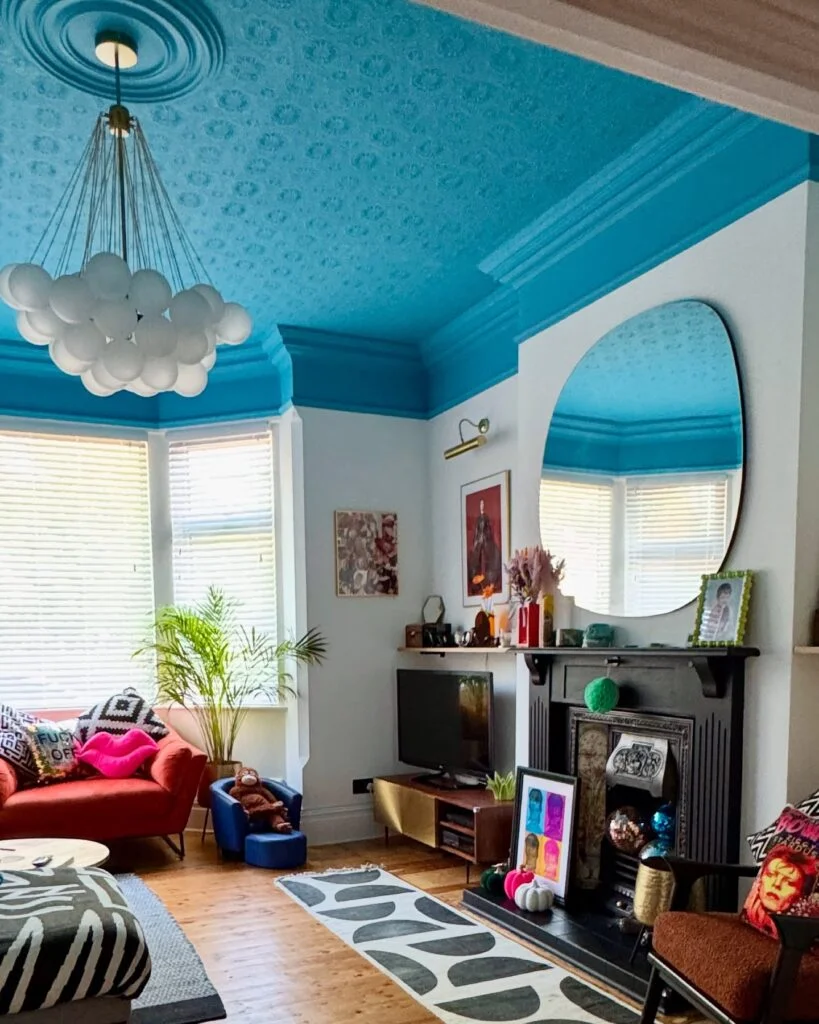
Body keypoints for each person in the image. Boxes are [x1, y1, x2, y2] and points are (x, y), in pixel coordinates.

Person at [468, 498, 502, 594]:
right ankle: (476, 579)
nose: (482, 506)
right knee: (475, 555)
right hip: (479, 539)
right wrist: (477, 541)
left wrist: (487, 537)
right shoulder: (478, 519)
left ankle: (490, 579)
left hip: (486, 539)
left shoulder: (486, 518)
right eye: (480, 504)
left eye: (483, 504)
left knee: (492, 552)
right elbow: (476, 531)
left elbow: (489, 529)